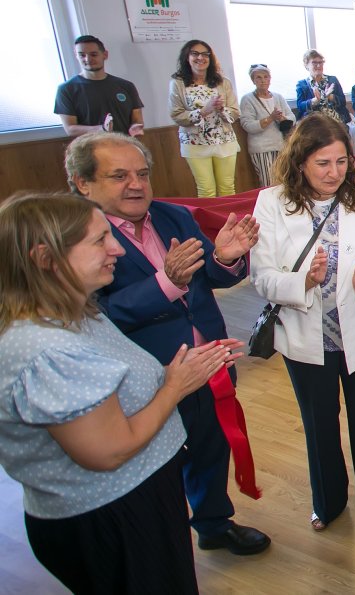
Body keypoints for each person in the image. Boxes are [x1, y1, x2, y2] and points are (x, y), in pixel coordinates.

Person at [0, 193, 239, 594]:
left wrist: (179, 371)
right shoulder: (46, 347)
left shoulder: (75, 311)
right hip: (112, 515)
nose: (116, 248)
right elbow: (107, 450)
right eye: (99, 241)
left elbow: (109, 388)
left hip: (138, 498)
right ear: (45, 258)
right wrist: (175, 386)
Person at [65, 132, 271, 556]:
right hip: (146, 377)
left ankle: (214, 524)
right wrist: (166, 282)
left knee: (211, 445)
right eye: (119, 176)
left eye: (142, 174)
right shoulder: (75, 239)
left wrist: (226, 258)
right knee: (158, 463)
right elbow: (95, 315)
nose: (136, 185)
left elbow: (211, 279)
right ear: (82, 183)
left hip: (209, 362)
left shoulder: (174, 216)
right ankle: (161, 543)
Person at [251, 113, 355, 533]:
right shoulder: (272, 203)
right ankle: (328, 501)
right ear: (300, 161)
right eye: (323, 163)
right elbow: (261, 276)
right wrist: (304, 280)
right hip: (305, 337)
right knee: (319, 422)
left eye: (341, 162)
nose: (334, 172)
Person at [169, 39, 240, 198]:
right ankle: (212, 223)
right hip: (195, 142)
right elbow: (176, 114)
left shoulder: (223, 82)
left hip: (224, 139)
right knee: (206, 190)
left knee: (228, 188)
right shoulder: (178, 83)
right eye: (195, 53)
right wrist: (203, 111)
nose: (200, 58)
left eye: (205, 54)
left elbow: (235, 112)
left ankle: (230, 221)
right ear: (187, 57)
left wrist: (222, 109)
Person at [54, 34, 145, 137]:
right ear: (76, 56)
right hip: (91, 149)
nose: (88, 59)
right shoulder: (66, 89)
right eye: (82, 55)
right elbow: (70, 129)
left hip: (126, 146)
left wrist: (135, 127)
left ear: (105, 55)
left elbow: (137, 119)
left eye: (93, 54)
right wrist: (101, 129)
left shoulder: (126, 86)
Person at [239, 63, 296, 187]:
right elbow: (247, 125)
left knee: (285, 182)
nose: (263, 80)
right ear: (253, 80)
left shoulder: (278, 97)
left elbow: (292, 118)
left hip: (281, 146)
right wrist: (270, 118)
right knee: (269, 184)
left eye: (266, 77)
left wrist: (282, 118)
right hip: (262, 148)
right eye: (258, 77)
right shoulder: (247, 99)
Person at [295, 49, 350, 124]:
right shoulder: (302, 84)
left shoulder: (332, 79)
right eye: (314, 63)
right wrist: (314, 100)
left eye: (321, 62)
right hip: (314, 124)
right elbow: (300, 107)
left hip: (336, 121)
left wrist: (330, 96)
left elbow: (343, 101)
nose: (318, 65)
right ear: (306, 65)